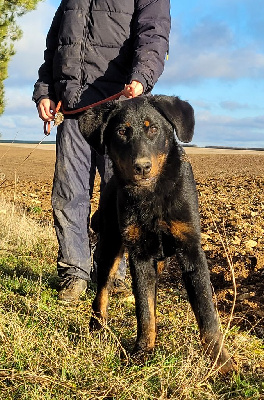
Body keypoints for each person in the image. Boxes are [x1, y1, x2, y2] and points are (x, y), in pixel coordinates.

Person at [32, 0, 171, 303]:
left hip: (118, 111)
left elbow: (154, 34)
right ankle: (74, 273)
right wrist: (45, 90)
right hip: (72, 112)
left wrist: (142, 76)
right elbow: (56, 44)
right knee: (69, 194)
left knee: (118, 196)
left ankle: (113, 274)